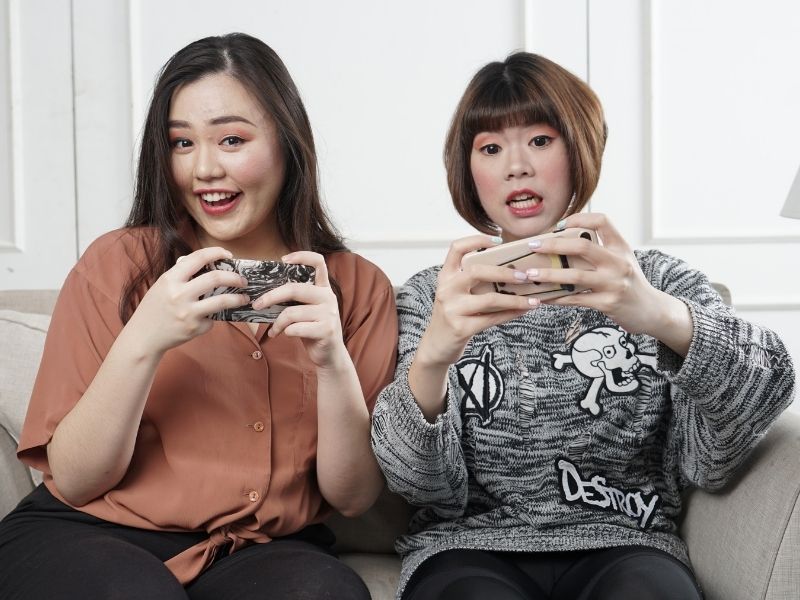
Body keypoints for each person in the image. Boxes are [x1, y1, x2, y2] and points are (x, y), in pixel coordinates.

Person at [370, 52, 795, 600]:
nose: (515, 166)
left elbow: (760, 398)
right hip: (467, 550)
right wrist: (434, 356)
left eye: (540, 140)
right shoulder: (436, 293)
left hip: (628, 542)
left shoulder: (654, 279)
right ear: (468, 171)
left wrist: (657, 313)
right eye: (491, 148)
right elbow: (416, 484)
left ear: (580, 149)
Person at [0, 33, 397, 600]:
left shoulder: (356, 288)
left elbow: (354, 498)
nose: (204, 168)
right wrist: (145, 341)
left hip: (260, 551)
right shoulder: (117, 265)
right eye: (181, 143)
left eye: (231, 139)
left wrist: (332, 363)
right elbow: (77, 478)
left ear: (288, 142)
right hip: (91, 533)